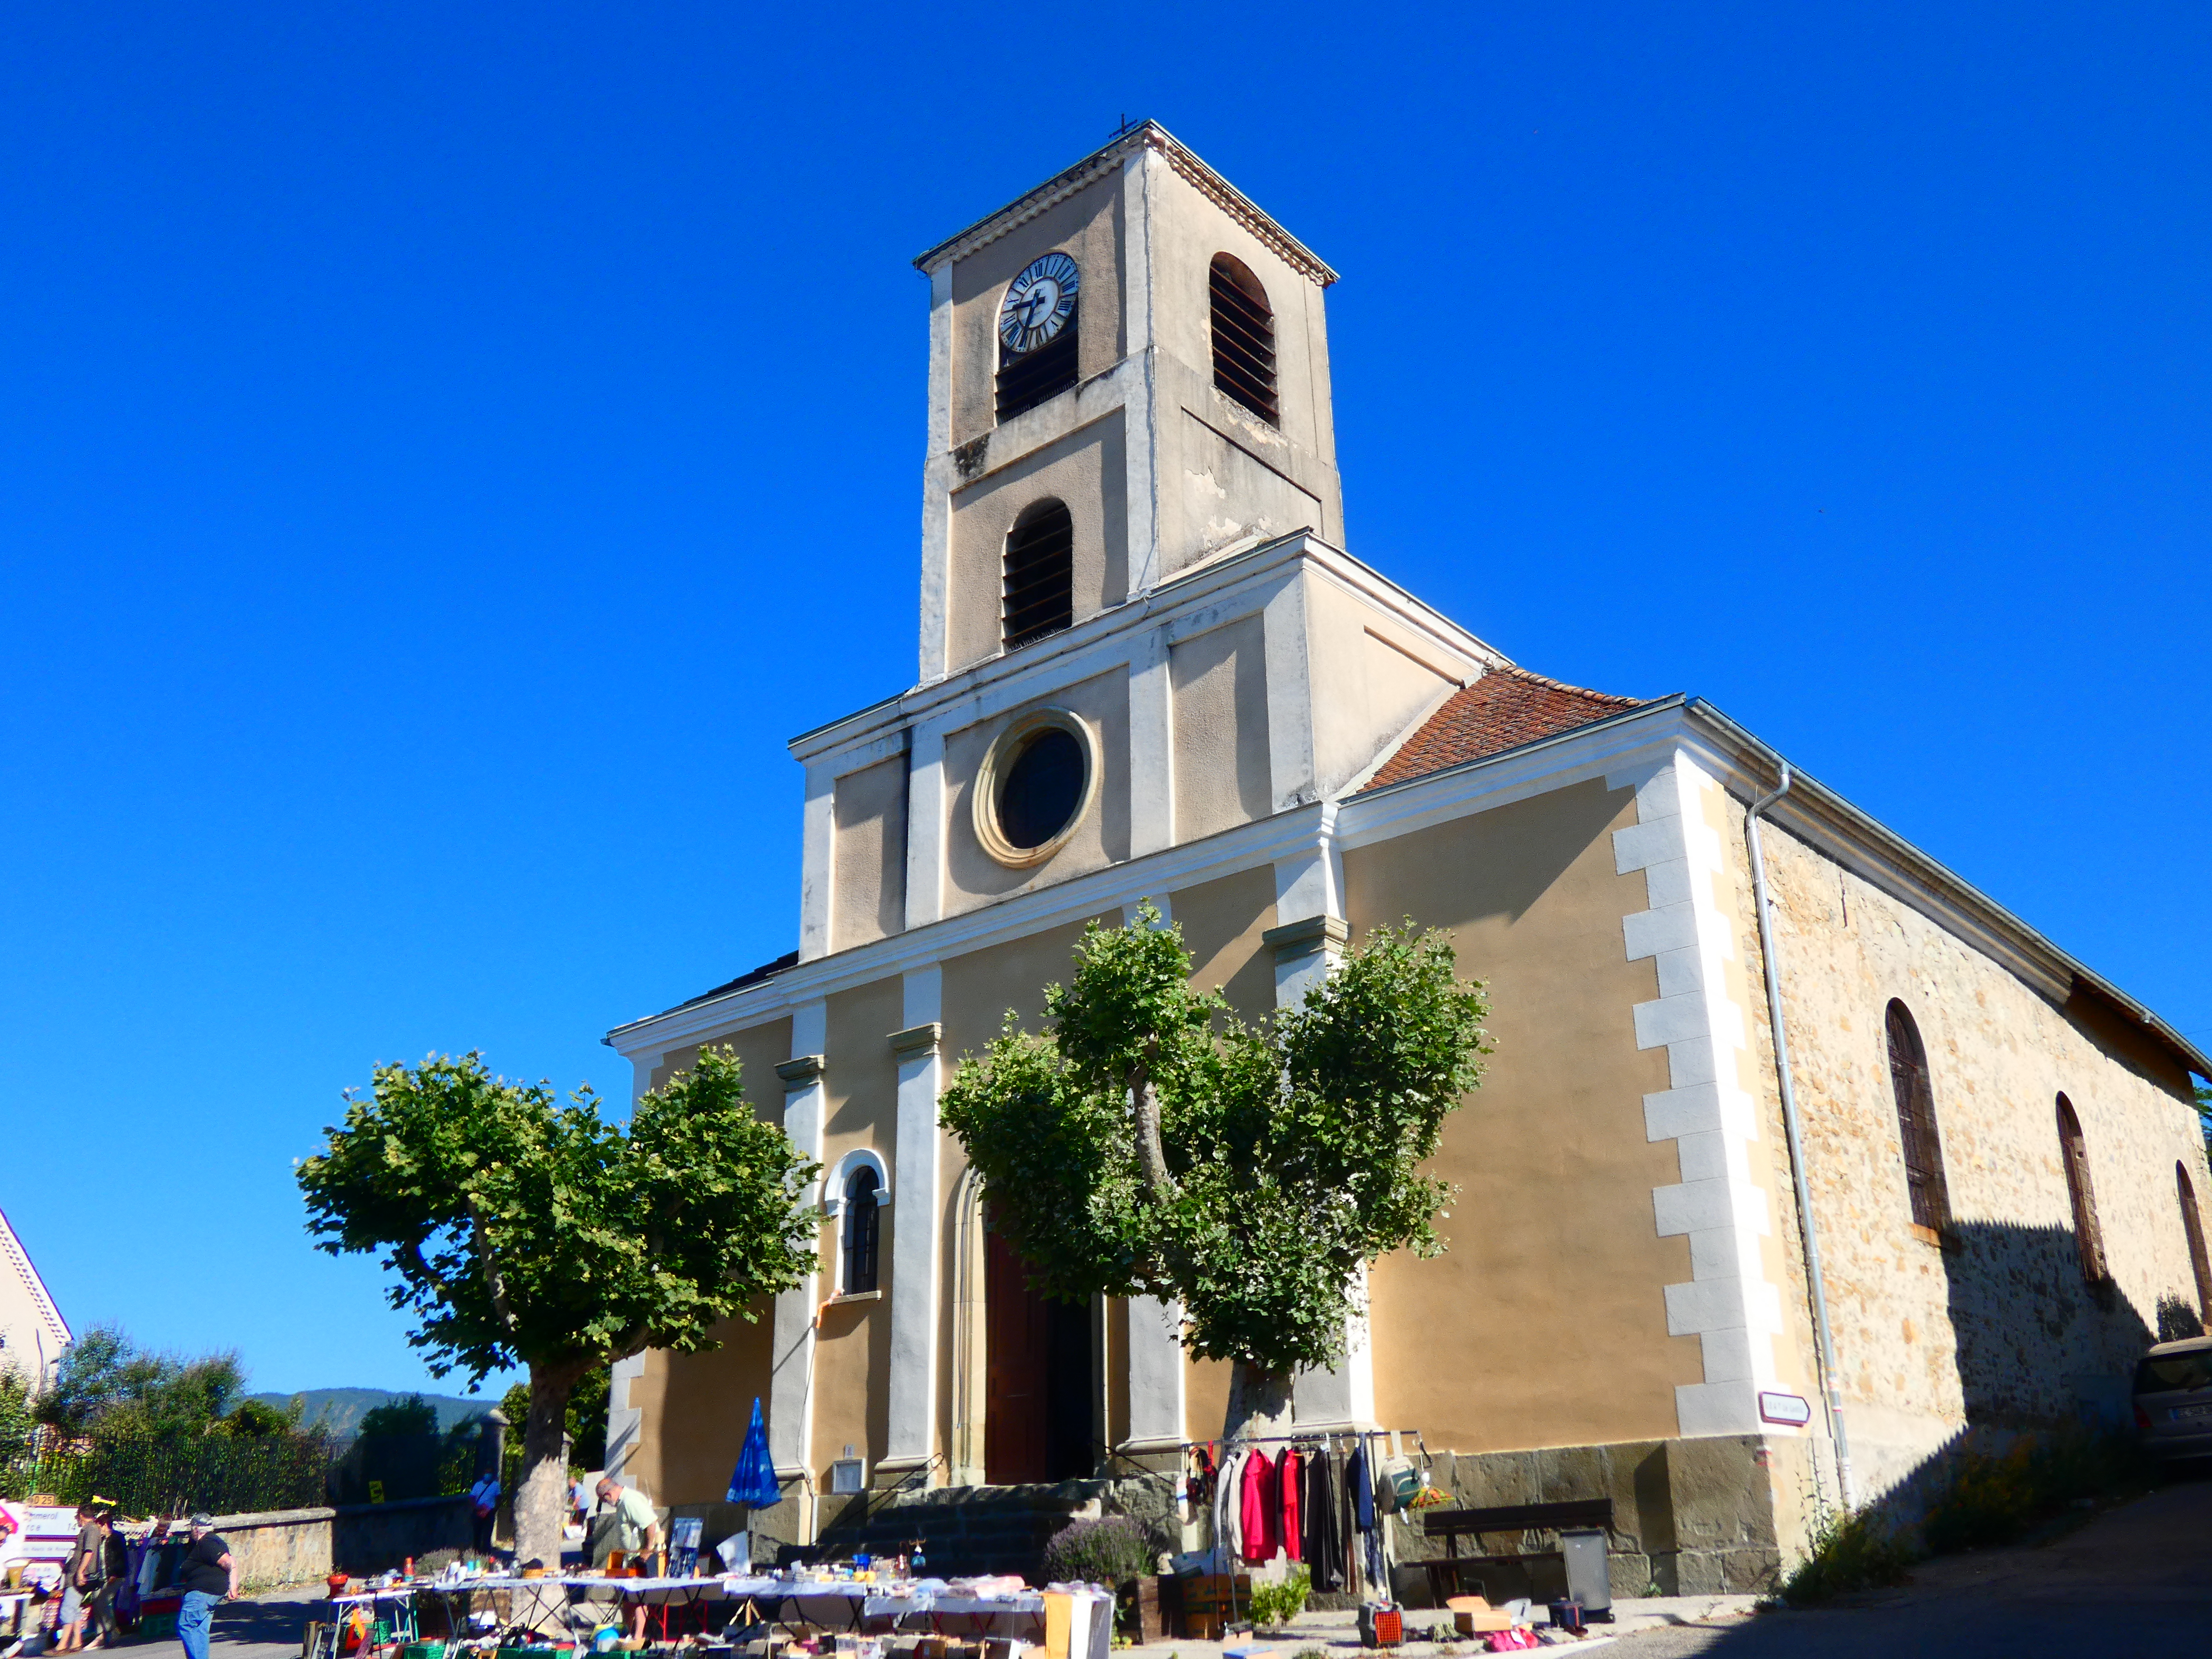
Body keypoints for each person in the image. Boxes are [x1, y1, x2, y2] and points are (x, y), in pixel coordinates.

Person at [593, 1475, 661, 1641]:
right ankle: (626, 1632)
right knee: (627, 1598)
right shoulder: (625, 1500)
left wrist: (648, 1550)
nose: (607, 1503)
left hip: (642, 1558)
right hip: (632, 1557)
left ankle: (637, 1638)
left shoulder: (629, 1500)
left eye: (604, 1500)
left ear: (608, 1495)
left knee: (637, 1597)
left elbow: (651, 1523)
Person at [175, 1513, 238, 1659]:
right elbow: (232, 1562)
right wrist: (232, 1585)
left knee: (187, 1624)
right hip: (210, 1593)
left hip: (202, 1592)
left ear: (196, 1529)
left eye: (191, 1528)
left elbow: (228, 1562)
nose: (191, 1532)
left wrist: (233, 1584)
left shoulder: (207, 1542)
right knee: (200, 1629)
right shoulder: (214, 1541)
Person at [468, 1471, 501, 1556]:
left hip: (489, 1513)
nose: (488, 1475)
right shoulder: (477, 1485)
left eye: (490, 1473)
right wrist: (476, 1507)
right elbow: (472, 1497)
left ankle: (486, 1555)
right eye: (486, 1473)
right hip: (478, 1512)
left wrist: (494, 1510)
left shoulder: (496, 1485)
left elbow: (499, 1498)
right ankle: (476, 1553)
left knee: (487, 1535)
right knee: (477, 1534)